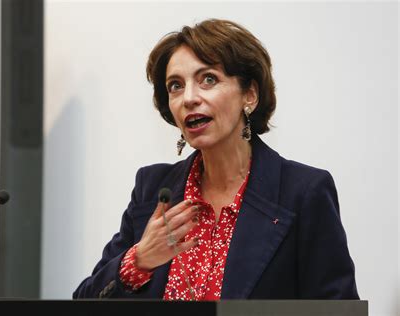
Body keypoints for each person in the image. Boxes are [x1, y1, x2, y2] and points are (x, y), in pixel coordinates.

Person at [72, 19, 359, 300]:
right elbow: (84, 299)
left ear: (249, 95)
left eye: (208, 79)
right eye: (175, 86)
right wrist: (139, 260)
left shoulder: (302, 193)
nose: (189, 98)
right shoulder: (152, 189)